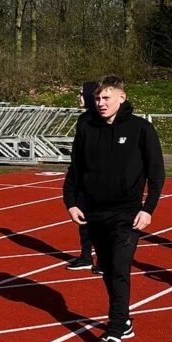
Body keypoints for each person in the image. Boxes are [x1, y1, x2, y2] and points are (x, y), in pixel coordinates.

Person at [63, 75, 164, 342]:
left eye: (107, 98)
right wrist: (70, 201)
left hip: (127, 213)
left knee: (120, 268)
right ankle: (124, 319)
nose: (101, 103)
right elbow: (76, 168)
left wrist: (148, 208)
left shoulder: (141, 129)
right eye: (97, 99)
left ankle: (115, 336)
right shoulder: (86, 126)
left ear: (122, 97)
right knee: (107, 268)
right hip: (94, 212)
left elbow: (156, 173)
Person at [67, 82, 100, 272]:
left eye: (81, 93)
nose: (79, 97)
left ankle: (103, 259)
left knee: (101, 221)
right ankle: (86, 255)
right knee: (83, 218)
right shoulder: (83, 119)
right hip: (83, 177)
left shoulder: (100, 118)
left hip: (98, 178)